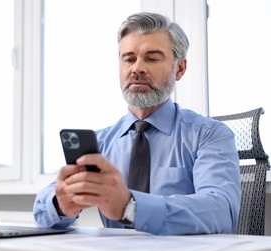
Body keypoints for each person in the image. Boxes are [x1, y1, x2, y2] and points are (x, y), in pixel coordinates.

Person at [33, 12, 241, 235]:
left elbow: (221, 212)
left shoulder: (209, 135)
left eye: (152, 58)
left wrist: (130, 207)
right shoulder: (100, 143)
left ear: (179, 68)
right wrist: (61, 205)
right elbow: (42, 211)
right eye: (129, 58)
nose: (137, 68)